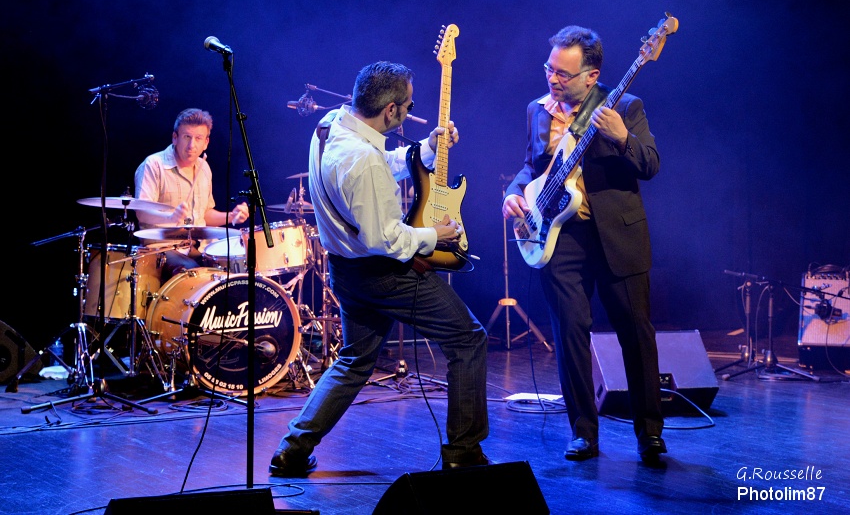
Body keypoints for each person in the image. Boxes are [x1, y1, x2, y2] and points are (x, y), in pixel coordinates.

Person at [269, 61, 490, 477]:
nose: (409, 110)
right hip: (382, 275)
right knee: (468, 339)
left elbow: (378, 162)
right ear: (390, 110)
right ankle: (463, 452)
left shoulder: (331, 125)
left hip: (346, 271)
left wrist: (426, 149)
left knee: (355, 359)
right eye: (408, 106)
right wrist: (436, 235)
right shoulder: (363, 161)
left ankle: (292, 450)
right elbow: (384, 239)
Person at [501, 26, 666, 463]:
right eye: (549, 68)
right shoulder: (537, 110)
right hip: (561, 236)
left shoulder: (625, 106)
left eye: (563, 73)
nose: (552, 78)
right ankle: (583, 433)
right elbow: (531, 166)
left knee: (636, 335)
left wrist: (622, 137)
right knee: (570, 335)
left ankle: (649, 432)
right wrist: (514, 193)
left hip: (617, 236)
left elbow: (650, 164)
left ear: (591, 76)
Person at [134, 108, 249, 280]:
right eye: (187, 137)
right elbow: (141, 213)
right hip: (160, 250)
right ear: (175, 137)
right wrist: (170, 218)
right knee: (195, 274)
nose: (191, 145)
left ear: (206, 142)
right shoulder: (154, 165)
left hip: (192, 247)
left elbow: (205, 214)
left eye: (198, 138)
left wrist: (232, 216)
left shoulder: (204, 168)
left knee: (232, 271)